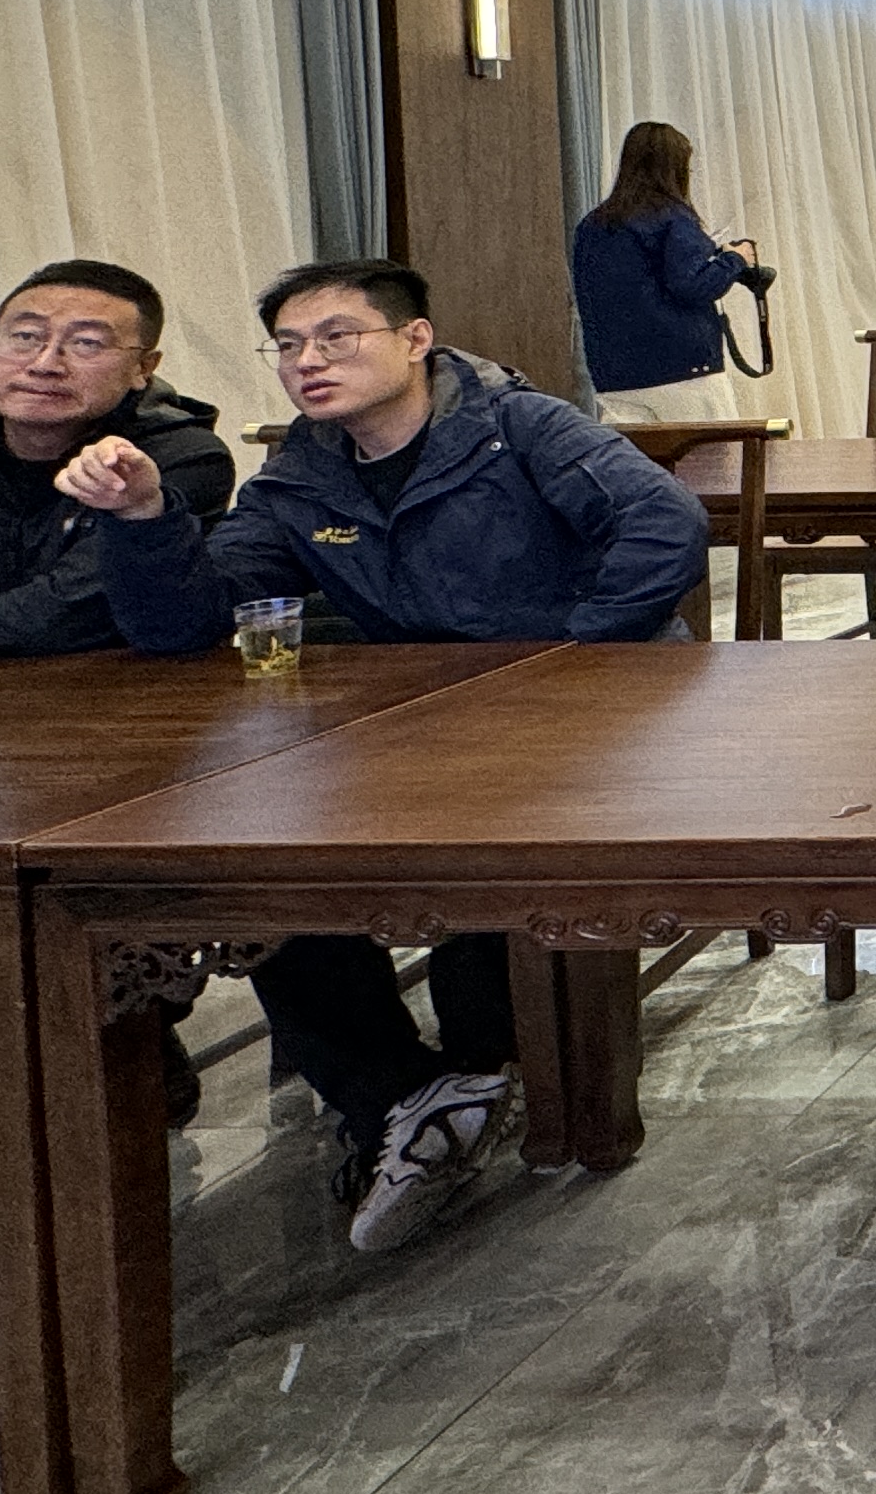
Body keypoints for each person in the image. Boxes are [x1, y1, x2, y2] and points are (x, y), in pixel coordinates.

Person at [58, 259, 710, 1252]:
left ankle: (477, 1082)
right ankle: (404, 1100)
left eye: (337, 337)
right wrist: (146, 521)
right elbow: (191, 622)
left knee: (488, 897)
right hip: (412, 728)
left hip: (576, 722)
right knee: (269, 882)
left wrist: (571, 651)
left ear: (415, 340)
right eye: (288, 346)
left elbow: (665, 523)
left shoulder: (517, 426)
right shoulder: (302, 471)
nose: (307, 362)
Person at [0, 260, 231, 1212]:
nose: (46, 360)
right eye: (25, 335)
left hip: (115, 750)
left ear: (144, 367)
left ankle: (126, 1047)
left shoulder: (175, 457)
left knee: (86, 917)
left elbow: (66, 615)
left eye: (86, 342)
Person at [569, 119, 767, 422]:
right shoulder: (673, 218)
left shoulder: (592, 226)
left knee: (632, 455)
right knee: (709, 453)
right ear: (676, 169)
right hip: (685, 371)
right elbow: (693, 285)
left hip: (616, 375)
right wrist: (734, 259)